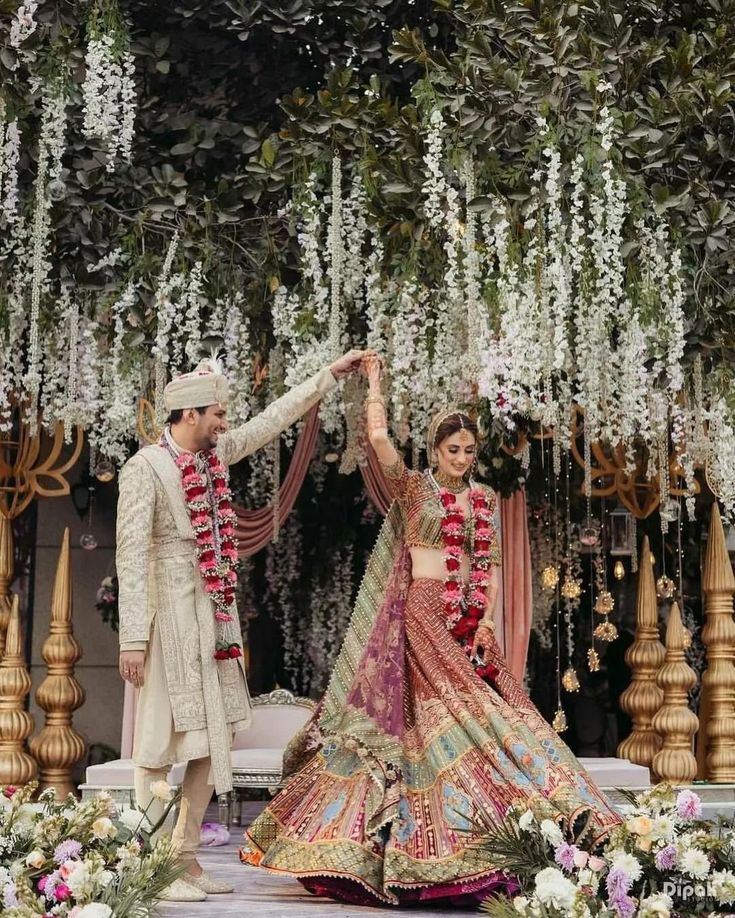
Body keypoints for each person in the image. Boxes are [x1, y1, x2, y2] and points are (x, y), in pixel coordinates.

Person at [240, 354, 621, 907]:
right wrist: (373, 380)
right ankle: (411, 845)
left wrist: (487, 619)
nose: (462, 460)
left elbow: (485, 566)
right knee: (436, 718)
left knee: (490, 714)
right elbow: (375, 438)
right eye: (452, 450)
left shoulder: (484, 499)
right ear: (434, 449)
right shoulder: (415, 489)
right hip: (419, 613)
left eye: (468, 451)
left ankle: (526, 826)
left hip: (467, 619)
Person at [116, 348, 367, 902]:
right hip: (166, 620)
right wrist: (133, 638)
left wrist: (327, 375)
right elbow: (130, 557)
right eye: (218, 415)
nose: (226, 424)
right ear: (189, 416)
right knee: (159, 737)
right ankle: (153, 868)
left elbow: (270, 422)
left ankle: (184, 857)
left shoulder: (213, 457)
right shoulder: (145, 469)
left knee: (213, 736)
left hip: (213, 614)